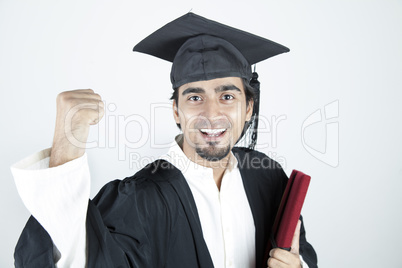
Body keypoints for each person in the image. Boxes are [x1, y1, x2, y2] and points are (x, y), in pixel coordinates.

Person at [11, 13, 317, 268]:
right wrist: (68, 144)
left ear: (248, 108)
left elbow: (300, 253)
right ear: (176, 111)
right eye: (195, 96)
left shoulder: (268, 177)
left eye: (227, 96)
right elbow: (75, 256)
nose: (211, 113)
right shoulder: (139, 199)